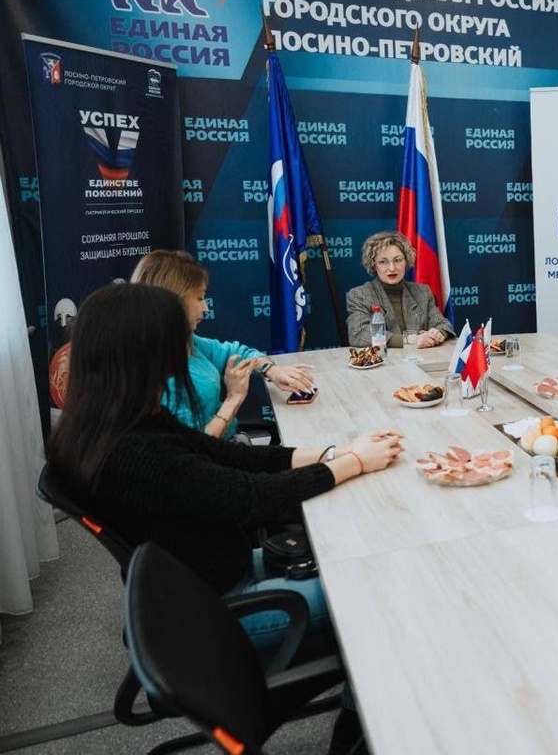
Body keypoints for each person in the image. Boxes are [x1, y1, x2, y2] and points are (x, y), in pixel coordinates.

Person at [43, 283, 405, 649]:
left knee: (357, 554)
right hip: (217, 613)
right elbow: (254, 497)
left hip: (212, 573)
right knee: (383, 585)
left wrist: (335, 453)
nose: (184, 349)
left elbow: (231, 456)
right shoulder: (139, 453)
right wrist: (357, 463)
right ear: (144, 354)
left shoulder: (118, 420)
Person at [131, 250, 315, 440]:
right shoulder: (158, 379)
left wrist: (271, 370)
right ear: (173, 301)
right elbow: (193, 447)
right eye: (200, 298)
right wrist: (233, 398)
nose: (206, 308)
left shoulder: (187, 341)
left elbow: (235, 352)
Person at [346, 231, 454, 349]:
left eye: (397, 260)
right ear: (374, 265)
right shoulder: (360, 295)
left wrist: (437, 334)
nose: (392, 268)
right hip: (385, 360)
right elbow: (359, 334)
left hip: (420, 358)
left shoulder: (422, 292)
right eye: (383, 262)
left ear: (406, 261)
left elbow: (443, 324)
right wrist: (411, 340)